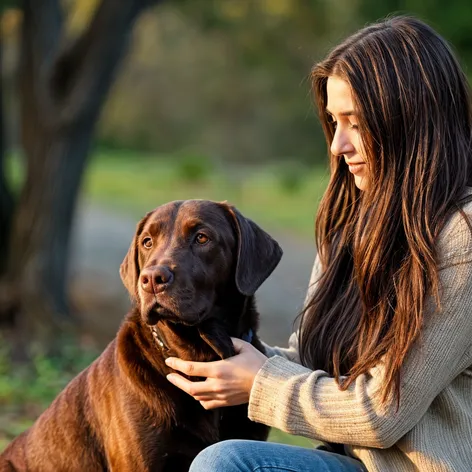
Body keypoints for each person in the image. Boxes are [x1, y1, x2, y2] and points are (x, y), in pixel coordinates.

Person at [164, 15, 472, 472]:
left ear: (410, 120)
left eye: (355, 121)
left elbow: (381, 413)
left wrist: (260, 383)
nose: (337, 144)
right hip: (352, 464)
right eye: (333, 120)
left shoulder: (462, 237)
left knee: (227, 463)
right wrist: (220, 356)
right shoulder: (351, 222)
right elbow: (310, 362)